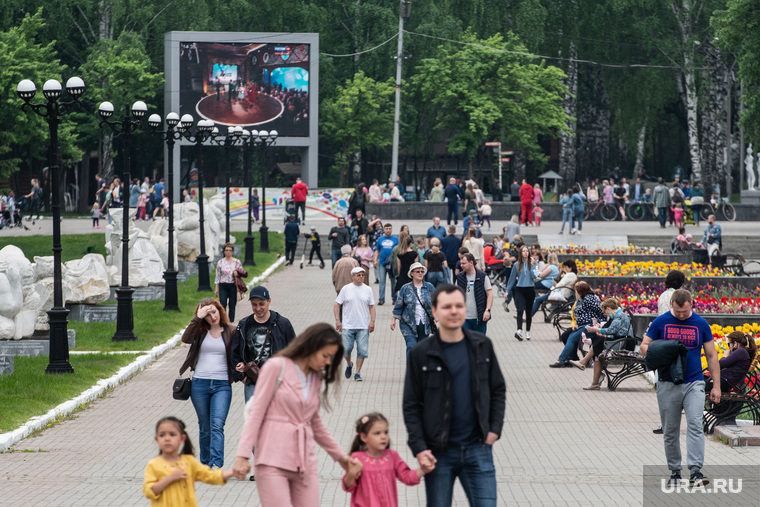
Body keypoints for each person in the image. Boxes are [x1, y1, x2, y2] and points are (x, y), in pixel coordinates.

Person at [231, 323, 360, 505]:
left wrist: (342, 458)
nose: (328, 362)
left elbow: (315, 424)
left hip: (304, 462)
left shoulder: (315, 378)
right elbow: (256, 413)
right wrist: (242, 455)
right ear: (310, 347)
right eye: (325, 355)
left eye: (331, 357)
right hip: (272, 461)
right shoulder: (276, 367)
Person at [403, 284, 506, 507]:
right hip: (438, 452)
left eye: (459, 306)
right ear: (435, 311)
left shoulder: (482, 345)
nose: (454, 311)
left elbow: (498, 389)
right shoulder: (421, 353)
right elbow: (411, 404)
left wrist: (494, 430)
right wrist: (419, 447)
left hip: (478, 448)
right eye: (447, 306)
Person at [640, 289, 720, 487]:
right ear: (672, 305)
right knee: (670, 429)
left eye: (685, 312)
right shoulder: (661, 322)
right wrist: (663, 349)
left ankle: (695, 470)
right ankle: (675, 471)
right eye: (678, 312)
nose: (682, 315)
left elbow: (711, 355)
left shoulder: (701, 323)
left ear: (691, 304)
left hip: (694, 381)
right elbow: (643, 347)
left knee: (694, 424)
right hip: (668, 382)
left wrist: (716, 386)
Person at [180, 298, 240, 468]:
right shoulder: (199, 332)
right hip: (200, 384)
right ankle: (205, 463)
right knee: (205, 426)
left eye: (214, 311)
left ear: (220, 311)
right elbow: (186, 339)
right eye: (207, 314)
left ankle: (217, 464)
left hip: (222, 385)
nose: (212, 317)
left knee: (217, 425)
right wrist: (197, 318)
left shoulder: (231, 331)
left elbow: (238, 354)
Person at [342, 412, 432, 506]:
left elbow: (407, 477)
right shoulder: (357, 458)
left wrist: (423, 469)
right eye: (377, 433)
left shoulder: (392, 456)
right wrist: (352, 473)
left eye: (386, 432)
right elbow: (348, 487)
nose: (383, 436)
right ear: (364, 437)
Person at [143, 416, 232, 506]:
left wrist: (232, 472)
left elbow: (209, 475)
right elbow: (149, 491)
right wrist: (170, 478)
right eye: (162, 435)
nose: (167, 438)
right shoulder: (153, 464)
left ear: (182, 439)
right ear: (157, 439)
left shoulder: (189, 462)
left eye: (172, 434)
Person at [569, 298, 634, 390]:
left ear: (608, 309)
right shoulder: (619, 315)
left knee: (597, 342)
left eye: (605, 312)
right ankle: (594, 380)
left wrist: (595, 329)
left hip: (623, 343)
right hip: (620, 341)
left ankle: (584, 363)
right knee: (597, 353)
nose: (606, 314)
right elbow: (615, 332)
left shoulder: (620, 316)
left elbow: (611, 331)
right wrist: (600, 330)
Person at [335, 267, 376, 382]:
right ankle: (349, 364)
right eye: (358, 275)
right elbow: (337, 304)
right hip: (348, 325)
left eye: (363, 275)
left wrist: (372, 321)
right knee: (346, 349)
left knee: (362, 350)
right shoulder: (346, 289)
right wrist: (338, 320)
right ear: (352, 276)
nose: (361, 277)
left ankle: (357, 372)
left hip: (363, 325)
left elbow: (372, 306)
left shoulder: (368, 289)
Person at [550, 282, 604, 367]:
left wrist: (597, 323)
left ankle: (561, 360)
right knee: (566, 335)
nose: (576, 293)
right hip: (582, 325)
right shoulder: (583, 299)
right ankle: (571, 358)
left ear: (581, 291)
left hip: (590, 326)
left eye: (577, 291)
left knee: (572, 337)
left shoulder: (589, 298)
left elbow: (599, 311)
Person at [392, 262, 435, 357]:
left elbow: (436, 303)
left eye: (422, 271)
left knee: (422, 348)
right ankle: (410, 370)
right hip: (407, 323)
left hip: (424, 323)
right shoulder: (405, 288)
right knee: (411, 346)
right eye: (418, 271)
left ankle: (419, 370)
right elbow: (399, 304)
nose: (420, 273)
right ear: (412, 273)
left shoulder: (429, 287)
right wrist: (393, 319)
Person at [456, 253, 493, 334]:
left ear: (471, 263)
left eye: (464, 263)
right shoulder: (460, 277)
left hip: (479, 317)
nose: (461, 265)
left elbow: (489, 294)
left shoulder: (482, 276)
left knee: (479, 343)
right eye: (461, 263)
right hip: (464, 317)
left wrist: (487, 310)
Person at [506, 245, 536, 341]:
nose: (525, 252)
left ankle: (527, 331)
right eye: (523, 251)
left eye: (527, 251)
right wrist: (507, 291)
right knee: (519, 310)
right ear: (521, 253)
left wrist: (532, 265)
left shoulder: (532, 264)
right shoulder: (516, 265)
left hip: (530, 289)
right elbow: (511, 279)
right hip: (520, 289)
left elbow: (534, 277)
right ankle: (519, 330)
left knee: (528, 311)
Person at [215, 243, 244, 322]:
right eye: (226, 250)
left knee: (232, 305)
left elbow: (242, 273)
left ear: (232, 252)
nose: (228, 252)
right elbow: (217, 275)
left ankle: (230, 322)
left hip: (233, 285)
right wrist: (216, 288)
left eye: (230, 250)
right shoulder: (220, 262)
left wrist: (237, 273)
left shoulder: (237, 262)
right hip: (223, 285)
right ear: (224, 251)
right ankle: (224, 320)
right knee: (223, 303)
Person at [374, 223, 399, 305]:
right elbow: (377, 250)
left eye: (389, 229)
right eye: (386, 229)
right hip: (382, 263)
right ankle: (381, 299)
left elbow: (399, 251)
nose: (388, 230)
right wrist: (375, 260)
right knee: (382, 281)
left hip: (393, 263)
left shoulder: (396, 239)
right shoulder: (380, 239)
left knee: (394, 281)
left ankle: (394, 298)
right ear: (384, 230)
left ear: (391, 230)